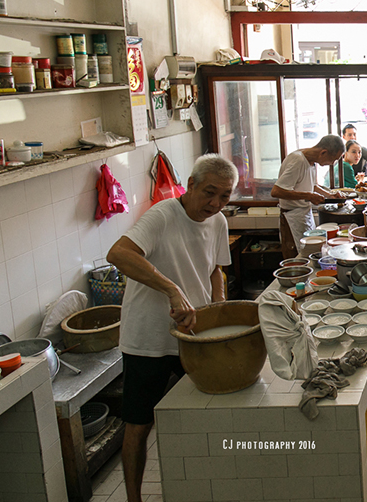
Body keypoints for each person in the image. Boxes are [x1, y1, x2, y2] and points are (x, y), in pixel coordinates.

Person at [106, 154, 237, 502]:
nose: (216, 203)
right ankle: (134, 498)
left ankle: (206, 486)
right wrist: (173, 289)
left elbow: (215, 270)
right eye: (210, 192)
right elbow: (118, 254)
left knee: (207, 411)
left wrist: (218, 307)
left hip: (192, 335)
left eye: (225, 196)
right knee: (138, 425)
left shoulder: (219, 221)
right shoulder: (162, 215)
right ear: (190, 184)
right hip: (147, 339)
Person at [271, 135, 345, 258]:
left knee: (309, 255)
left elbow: (312, 185)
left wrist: (330, 195)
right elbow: (276, 191)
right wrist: (309, 196)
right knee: (296, 258)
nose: (332, 164)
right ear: (323, 152)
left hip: (304, 214)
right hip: (292, 218)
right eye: (333, 160)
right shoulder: (298, 160)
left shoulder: (311, 161)